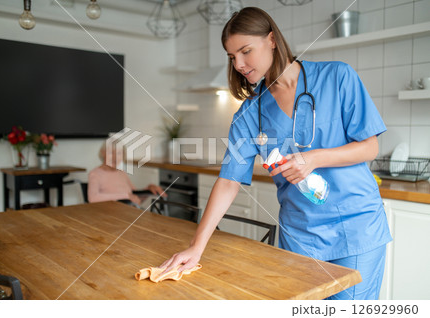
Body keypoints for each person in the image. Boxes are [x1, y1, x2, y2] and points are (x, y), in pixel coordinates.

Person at [160, 7, 392, 300]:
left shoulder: (337, 76)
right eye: (233, 57)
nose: (240, 64)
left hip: (357, 227)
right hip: (300, 234)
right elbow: (229, 181)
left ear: (271, 39)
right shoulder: (248, 114)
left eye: (246, 51)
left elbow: (371, 147)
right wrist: (197, 246)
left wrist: (314, 158)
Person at [88, 142, 166, 205]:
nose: (115, 157)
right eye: (111, 153)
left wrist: (149, 188)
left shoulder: (122, 173)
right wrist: (125, 196)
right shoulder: (95, 174)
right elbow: (93, 198)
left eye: (119, 153)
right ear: (103, 153)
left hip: (129, 212)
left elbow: (135, 197)